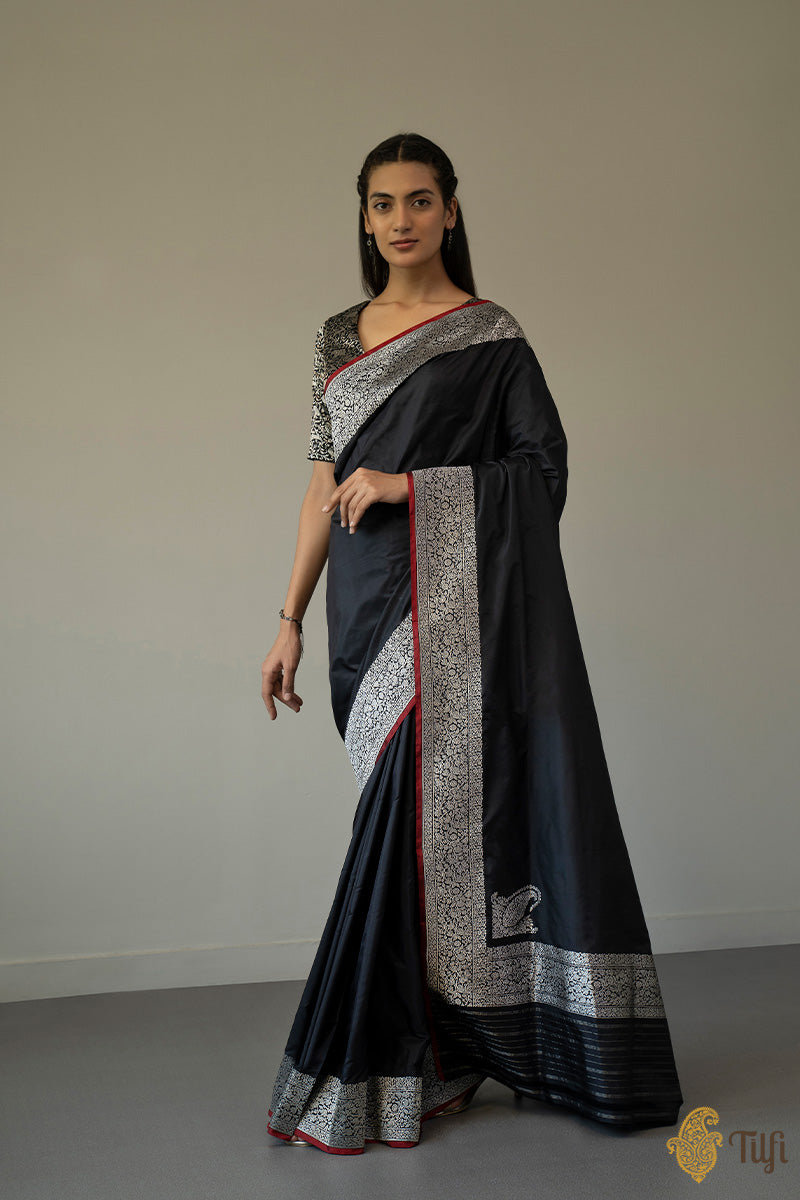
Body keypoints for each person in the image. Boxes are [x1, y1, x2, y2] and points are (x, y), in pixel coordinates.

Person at [263, 133, 684, 1155]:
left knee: (419, 828)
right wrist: (287, 618)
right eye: (381, 204)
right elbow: (320, 489)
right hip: (362, 609)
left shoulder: (490, 336)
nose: (400, 219)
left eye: (419, 200)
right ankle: (438, 1049)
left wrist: (412, 487)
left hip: (453, 606)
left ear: (450, 210)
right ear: (364, 218)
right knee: (405, 829)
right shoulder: (335, 337)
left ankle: (407, 1055)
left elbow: (540, 470)